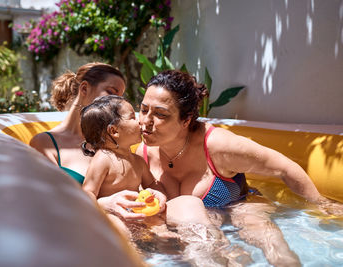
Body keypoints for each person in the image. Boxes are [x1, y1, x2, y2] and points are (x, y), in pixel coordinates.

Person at [131, 70, 343, 266]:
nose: (145, 121)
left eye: (160, 114)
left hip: (239, 204)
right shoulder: (142, 154)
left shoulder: (219, 146)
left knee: (269, 243)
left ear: (186, 120)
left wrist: (321, 204)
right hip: (200, 225)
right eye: (143, 109)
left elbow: (284, 168)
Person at [80, 95, 173, 239]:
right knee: (120, 229)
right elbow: (88, 192)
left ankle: (165, 244)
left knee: (158, 222)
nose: (139, 121)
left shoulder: (137, 161)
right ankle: (133, 255)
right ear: (114, 131)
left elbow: (152, 184)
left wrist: (159, 195)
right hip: (112, 215)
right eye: (132, 117)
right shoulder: (103, 158)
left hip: (137, 213)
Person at [30, 62, 126, 184]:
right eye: (111, 93)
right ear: (84, 88)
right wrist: (103, 202)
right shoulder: (44, 143)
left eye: (119, 98)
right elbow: (51, 196)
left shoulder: (110, 143)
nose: (117, 103)